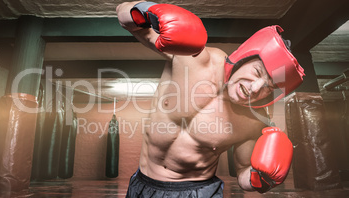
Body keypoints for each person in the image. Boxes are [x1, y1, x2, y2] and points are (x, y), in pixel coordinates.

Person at [116, 1, 305, 197]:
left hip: (198, 192)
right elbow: (124, 16)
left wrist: (259, 179)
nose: (255, 88)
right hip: (142, 185)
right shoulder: (194, 57)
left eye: (269, 87)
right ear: (244, 57)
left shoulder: (252, 122)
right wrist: (146, 11)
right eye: (257, 72)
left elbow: (242, 171)